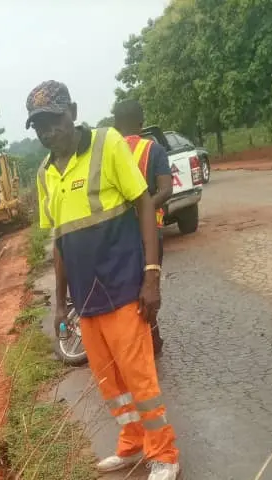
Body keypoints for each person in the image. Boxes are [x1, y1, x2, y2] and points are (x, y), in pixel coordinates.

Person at [27, 80, 180, 480]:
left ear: (72, 112)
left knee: (140, 377)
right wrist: (61, 305)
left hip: (124, 287)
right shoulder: (44, 175)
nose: (47, 132)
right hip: (86, 301)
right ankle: (131, 443)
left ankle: (163, 453)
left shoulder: (107, 144)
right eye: (39, 126)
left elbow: (145, 203)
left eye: (54, 121)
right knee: (109, 382)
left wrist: (151, 275)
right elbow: (59, 243)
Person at [113, 99, 172, 356]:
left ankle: (146, 340)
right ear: (142, 122)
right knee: (150, 284)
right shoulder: (154, 150)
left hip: (120, 236)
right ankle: (152, 337)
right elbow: (166, 190)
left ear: (115, 124)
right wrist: (145, 209)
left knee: (128, 288)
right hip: (152, 234)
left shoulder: (109, 153)